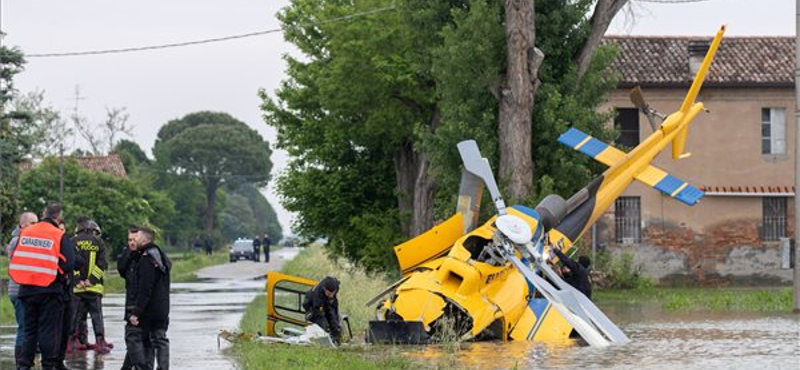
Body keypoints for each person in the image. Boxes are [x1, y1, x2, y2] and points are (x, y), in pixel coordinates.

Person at [10, 203, 75, 370]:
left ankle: (24, 366)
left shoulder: (26, 232)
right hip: (49, 290)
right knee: (48, 332)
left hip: (26, 289)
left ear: (43, 214)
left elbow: (17, 257)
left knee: (29, 332)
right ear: (58, 218)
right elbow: (69, 264)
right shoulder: (58, 235)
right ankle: (49, 365)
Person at [120, 226, 171, 370]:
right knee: (158, 339)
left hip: (149, 308)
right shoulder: (158, 255)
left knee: (136, 337)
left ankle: (143, 367)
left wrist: (136, 311)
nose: (134, 241)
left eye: (137, 238)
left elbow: (145, 289)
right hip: (162, 306)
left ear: (144, 239)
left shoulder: (146, 258)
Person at [70, 217, 112, 354]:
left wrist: (78, 281)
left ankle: (74, 342)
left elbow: (71, 264)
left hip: (77, 289)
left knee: (76, 317)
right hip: (94, 288)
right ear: (90, 228)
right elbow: (102, 264)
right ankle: (100, 342)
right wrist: (91, 281)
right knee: (96, 316)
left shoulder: (72, 242)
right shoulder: (98, 242)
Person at [5, 211, 38, 367]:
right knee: (24, 327)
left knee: (26, 326)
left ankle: (24, 358)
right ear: (22, 225)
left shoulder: (17, 240)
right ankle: (21, 361)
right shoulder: (20, 240)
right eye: (32, 223)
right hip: (19, 290)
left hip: (18, 289)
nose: (35, 226)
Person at [302, 276, 342, 344]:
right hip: (312, 306)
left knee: (334, 320)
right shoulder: (317, 294)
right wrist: (325, 325)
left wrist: (336, 325)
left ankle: (336, 340)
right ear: (324, 289)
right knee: (322, 323)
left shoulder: (335, 286)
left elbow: (334, 309)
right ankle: (323, 341)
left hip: (326, 302)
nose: (331, 295)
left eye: (332, 294)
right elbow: (319, 312)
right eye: (329, 293)